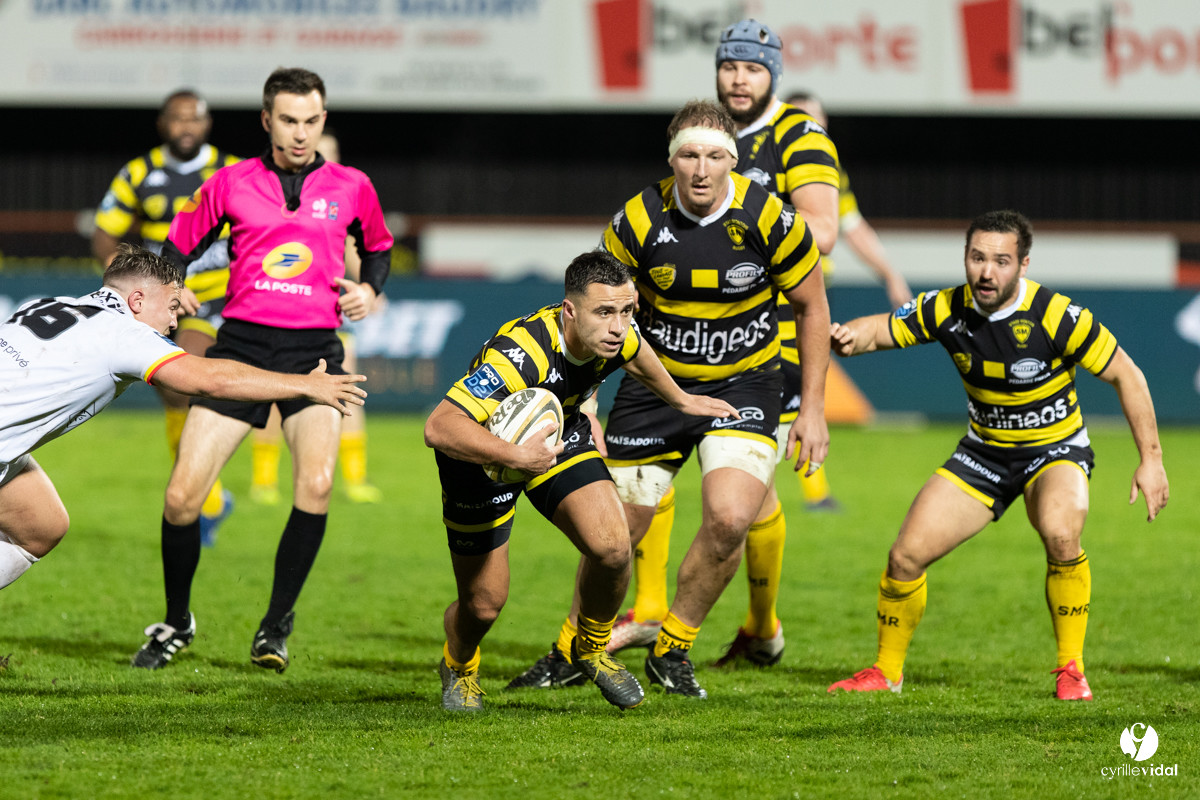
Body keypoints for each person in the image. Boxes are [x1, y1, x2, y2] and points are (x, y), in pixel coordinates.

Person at [510, 99, 829, 699]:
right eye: (689, 155)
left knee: (730, 517)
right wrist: (585, 404)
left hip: (744, 385)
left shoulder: (771, 218)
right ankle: (573, 649)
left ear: (733, 160)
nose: (701, 170)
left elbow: (812, 308)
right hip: (654, 386)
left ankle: (673, 648)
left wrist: (811, 409)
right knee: (613, 535)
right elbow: (597, 318)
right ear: (671, 159)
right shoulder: (635, 221)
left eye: (714, 156)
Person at [826, 210, 1169, 700]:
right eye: (977, 258)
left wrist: (1151, 460)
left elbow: (1127, 375)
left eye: (1001, 261)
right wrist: (849, 339)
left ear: (1023, 265)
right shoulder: (946, 308)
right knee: (904, 556)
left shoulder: (1056, 316)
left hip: (1054, 450)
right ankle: (886, 672)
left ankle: (1071, 668)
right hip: (984, 453)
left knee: (1061, 532)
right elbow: (879, 329)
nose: (986, 272)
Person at [130, 67, 393, 673]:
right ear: (267, 121)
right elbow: (177, 246)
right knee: (181, 497)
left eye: (311, 120)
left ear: (322, 120)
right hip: (240, 349)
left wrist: (369, 292)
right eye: (289, 120)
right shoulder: (231, 182)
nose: (301, 133)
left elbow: (378, 248)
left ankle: (275, 625)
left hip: (315, 354)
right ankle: (176, 621)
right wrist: (174, 285)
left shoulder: (353, 185)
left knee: (317, 486)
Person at [607, 19, 852, 669]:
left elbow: (826, 231)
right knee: (671, 479)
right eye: (729, 66)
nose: (739, 79)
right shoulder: (704, 136)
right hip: (690, 334)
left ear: (774, 73)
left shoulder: (799, 136)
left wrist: (743, 221)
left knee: (743, 499)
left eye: (753, 68)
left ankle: (758, 625)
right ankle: (669, 611)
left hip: (768, 341)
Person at [425, 252, 738, 711]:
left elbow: (637, 352)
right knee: (484, 604)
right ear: (570, 310)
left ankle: (589, 649)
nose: (618, 326)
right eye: (605, 312)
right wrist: (516, 456)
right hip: (481, 460)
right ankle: (459, 663)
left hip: (557, 435)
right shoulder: (520, 355)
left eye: (627, 311)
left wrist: (681, 399)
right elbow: (439, 426)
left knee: (613, 548)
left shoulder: (616, 335)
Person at [0, 245, 366, 593]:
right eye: (172, 306)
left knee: (43, 524)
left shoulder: (49, 304)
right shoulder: (126, 335)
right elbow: (211, 380)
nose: (175, 320)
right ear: (137, 301)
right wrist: (305, 384)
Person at [93, 89, 242, 547]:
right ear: (163, 124)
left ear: (207, 123)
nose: (186, 126)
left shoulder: (234, 171)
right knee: (176, 390)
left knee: (187, 386)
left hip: (229, 299)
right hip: (172, 301)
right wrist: (145, 285)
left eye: (193, 118)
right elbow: (104, 238)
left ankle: (205, 499)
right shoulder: (139, 172)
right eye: (177, 118)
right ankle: (208, 499)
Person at [249, 129, 384, 507]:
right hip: (280, 313)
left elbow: (356, 249)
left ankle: (355, 478)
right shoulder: (279, 197)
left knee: (347, 386)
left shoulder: (344, 198)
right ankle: (264, 481)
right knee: (273, 391)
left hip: (329, 315)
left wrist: (370, 288)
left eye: (329, 153)